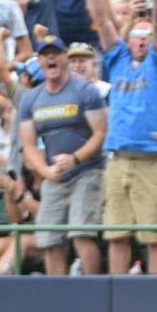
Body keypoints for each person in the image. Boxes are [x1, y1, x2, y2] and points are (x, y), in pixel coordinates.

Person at [83, 0, 157, 275]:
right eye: (136, 35)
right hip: (119, 159)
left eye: (146, 36)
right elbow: (103, 20)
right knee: (117, 235)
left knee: (153, 237)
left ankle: (155, 296)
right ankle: (117, 296)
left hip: (152, 160)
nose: (141, 39)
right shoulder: (119, 59)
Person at [18, 35, 107, 275]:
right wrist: (45, 171)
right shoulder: (31, 99)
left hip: (87, 171)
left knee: (81, 235)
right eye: (45, 54)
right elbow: (29, 146)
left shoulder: (86, 91)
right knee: (49, 240)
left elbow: (100, 134)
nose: (50, 57)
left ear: (64, 58)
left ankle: (92, 295)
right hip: (54, 177)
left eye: (55, 53)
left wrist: (75, 158)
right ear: (39, 61)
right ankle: (57, 298)